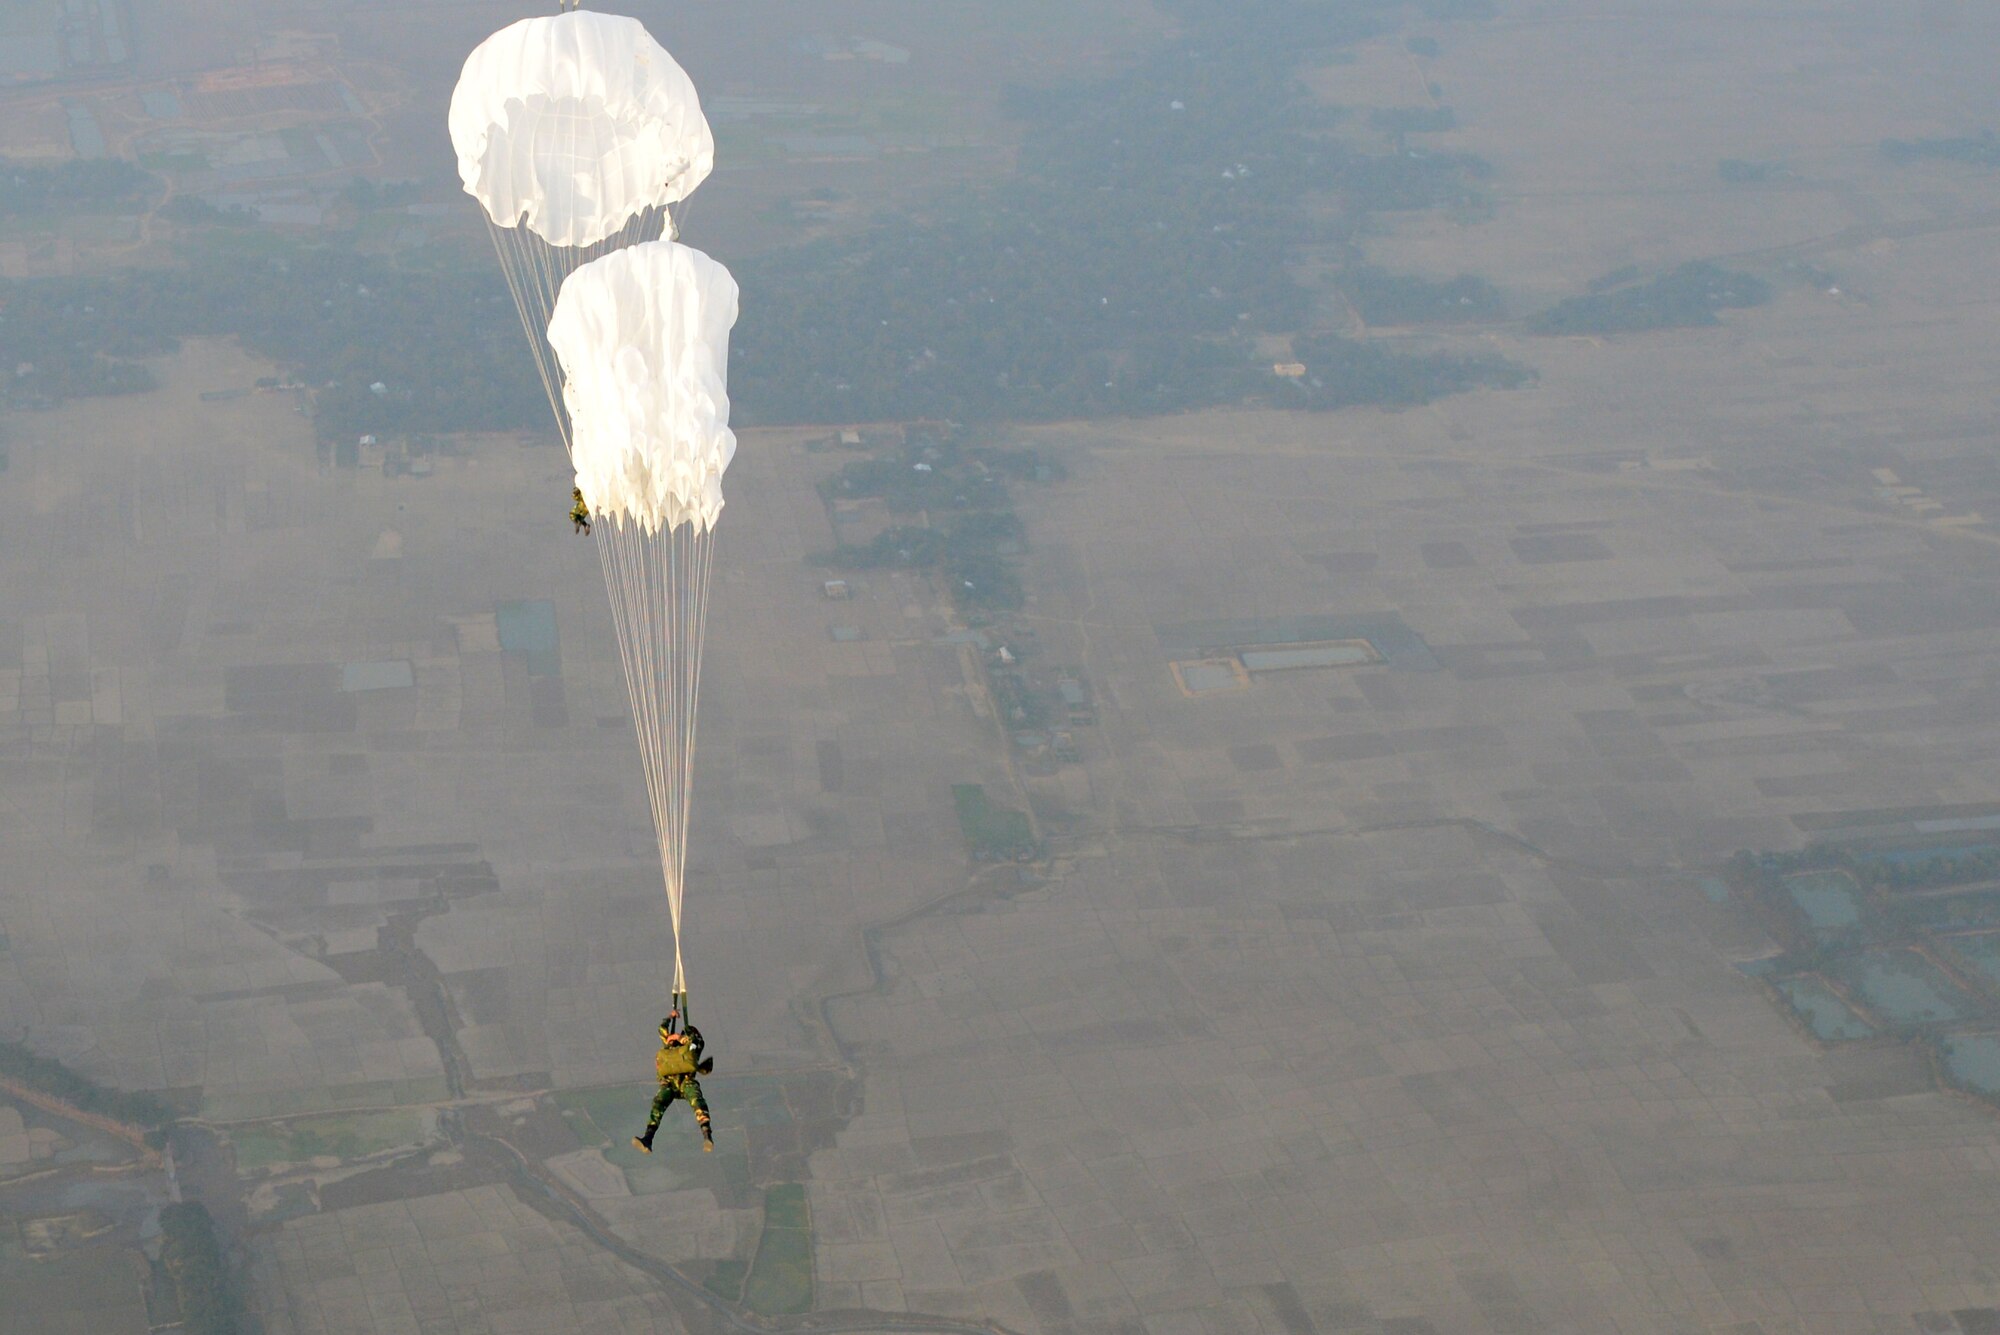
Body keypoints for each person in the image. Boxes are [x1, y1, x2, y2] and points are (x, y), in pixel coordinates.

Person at [634, 1008, 713, 1153]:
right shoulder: (671, 1043)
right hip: (669, 1083)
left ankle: (707, 1135)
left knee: (697, 1102)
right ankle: (648, 1138)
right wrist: (670, 1017)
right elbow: (662, 1029)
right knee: (658, 1104)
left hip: (686, 1082)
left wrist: (679, 1038)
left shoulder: (694, 1044)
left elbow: (696, 1042)